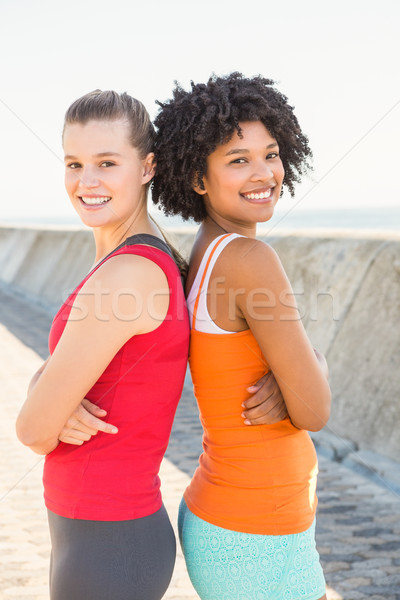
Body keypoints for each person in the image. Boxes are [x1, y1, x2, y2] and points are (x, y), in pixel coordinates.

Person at [16, 89, 288, 600]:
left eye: (106, 162)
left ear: (146, 167)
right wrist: (45, 384)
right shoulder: (139, 258)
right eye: (74, 163)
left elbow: (33, 430)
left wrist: (44, 398)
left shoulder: (130, 273)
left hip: (108, 541)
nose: (86, 181)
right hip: (97, 535)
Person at [152, 72, 332, 600]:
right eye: (238, 159)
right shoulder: (250, 258)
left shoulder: (204, 252)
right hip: (257, 536)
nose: (264, 173)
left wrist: (292, 377)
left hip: (239, 521)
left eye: (271, 154)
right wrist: (313, 364)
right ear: (199, 179)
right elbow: (316, 411)